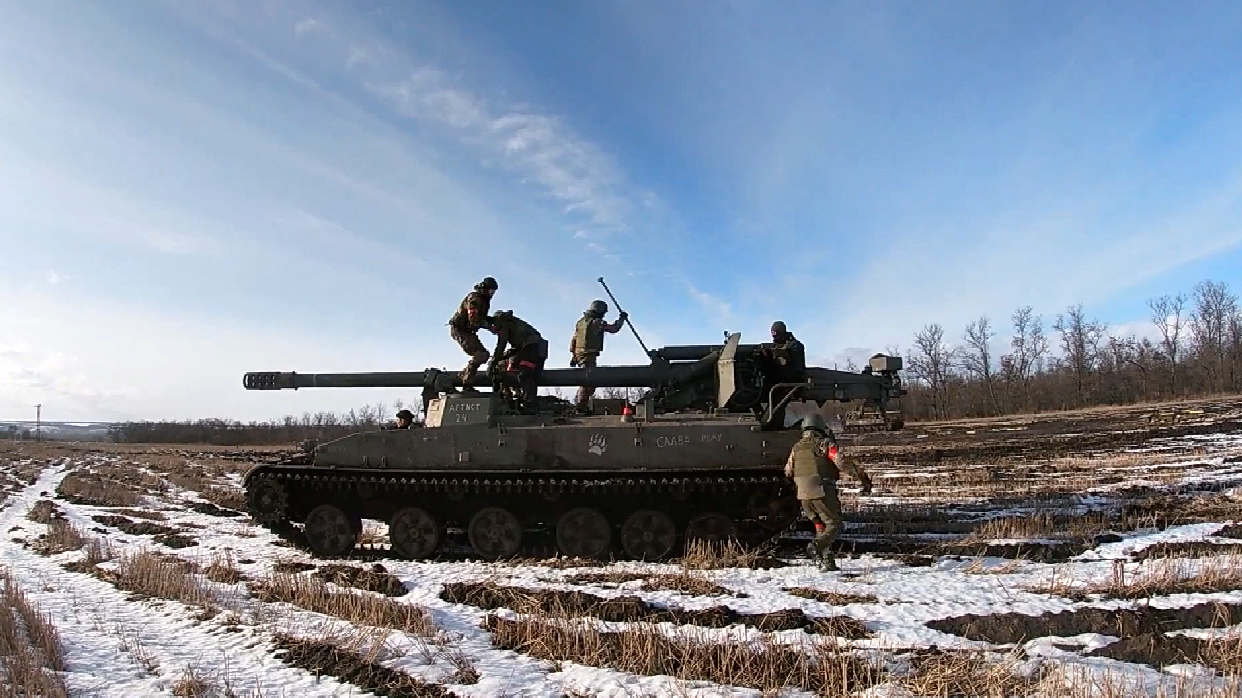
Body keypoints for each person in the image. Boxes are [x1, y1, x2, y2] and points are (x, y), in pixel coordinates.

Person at [783, 413, 872, 571]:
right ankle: (816, 547)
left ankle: (828, 562)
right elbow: (841, 461)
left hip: (803, 495)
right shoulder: (824, 444)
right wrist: (861, 476)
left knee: (820, 525)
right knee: (834, 524)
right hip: (821, 490)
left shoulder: (796, 448)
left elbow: (788, 471)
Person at [568, 300, 627, 412]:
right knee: (589, 381)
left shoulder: (580, 322)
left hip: (579, 355)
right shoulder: (597, 322)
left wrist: (573, 356)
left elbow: (574, 340)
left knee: (586, 380)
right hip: (588, 355)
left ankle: (581, 404)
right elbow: (614, 329)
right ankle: (581, 406)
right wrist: (621, 319)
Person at [487, 310, 548, 411]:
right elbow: (516, 348)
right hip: (534, 347)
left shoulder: (505, 325)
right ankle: (521, 399)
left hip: (533, 347)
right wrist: (501, 358)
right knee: (520, 372)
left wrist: (492, 363)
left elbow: (501, 345)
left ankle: (530, 405)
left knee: (525, 373)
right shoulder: (513, 324)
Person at [448, 277, 498, 390]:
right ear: (485, 289)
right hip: (460, 329)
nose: (492, 293)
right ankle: (466, 381)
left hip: (467, 330)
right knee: (481, 354)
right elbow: (474, 318)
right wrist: (491, 327)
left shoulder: (484, 300)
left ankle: (465, 375)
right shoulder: (475, 298)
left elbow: (482, 317)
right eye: (491, 290)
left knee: (483, 354)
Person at [756, 321, 808, 427]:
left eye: (776, 334)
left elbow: (797, 368)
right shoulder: (777, 345)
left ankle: (773, 429)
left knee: (775, 409)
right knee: (770, 408)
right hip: (778, 384)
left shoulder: (795, 346)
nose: (774, 337)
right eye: (773, 334)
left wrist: (781, 360)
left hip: (789, 384)